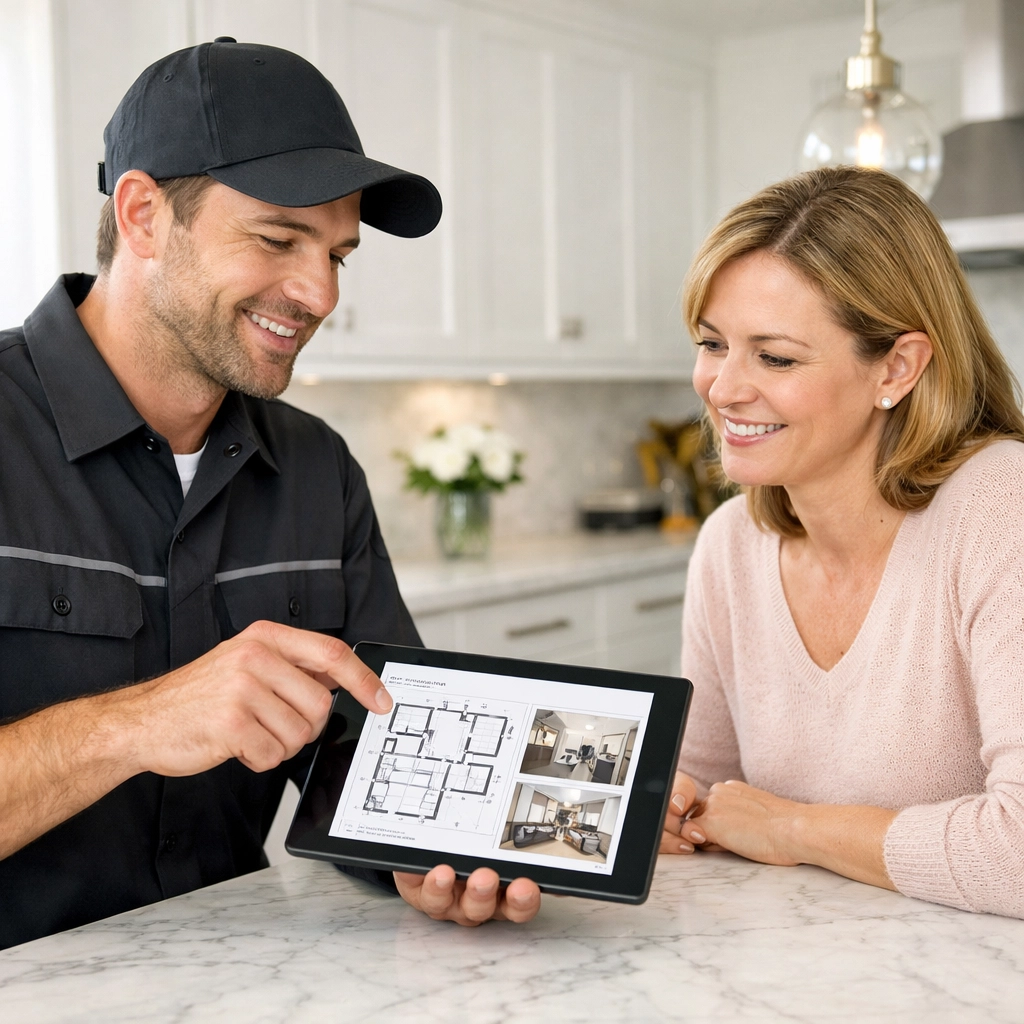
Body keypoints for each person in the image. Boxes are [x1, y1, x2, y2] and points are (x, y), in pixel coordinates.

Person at [0, 39, 540, 949]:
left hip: (243, 979)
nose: (319, 291)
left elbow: (366, 748)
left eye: (338, 253)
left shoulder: (318, 470)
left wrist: (427, 851)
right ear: (142, 215)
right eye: (278, 238)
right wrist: (134, 726)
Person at [659, 166, 1024, 920]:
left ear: (897, 366)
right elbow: (705, 796)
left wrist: (792, 827)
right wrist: (660, 811)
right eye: (712, 343)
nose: (723, 388)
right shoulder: (731, 544)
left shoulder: (1002, 507)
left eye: (776, 356)